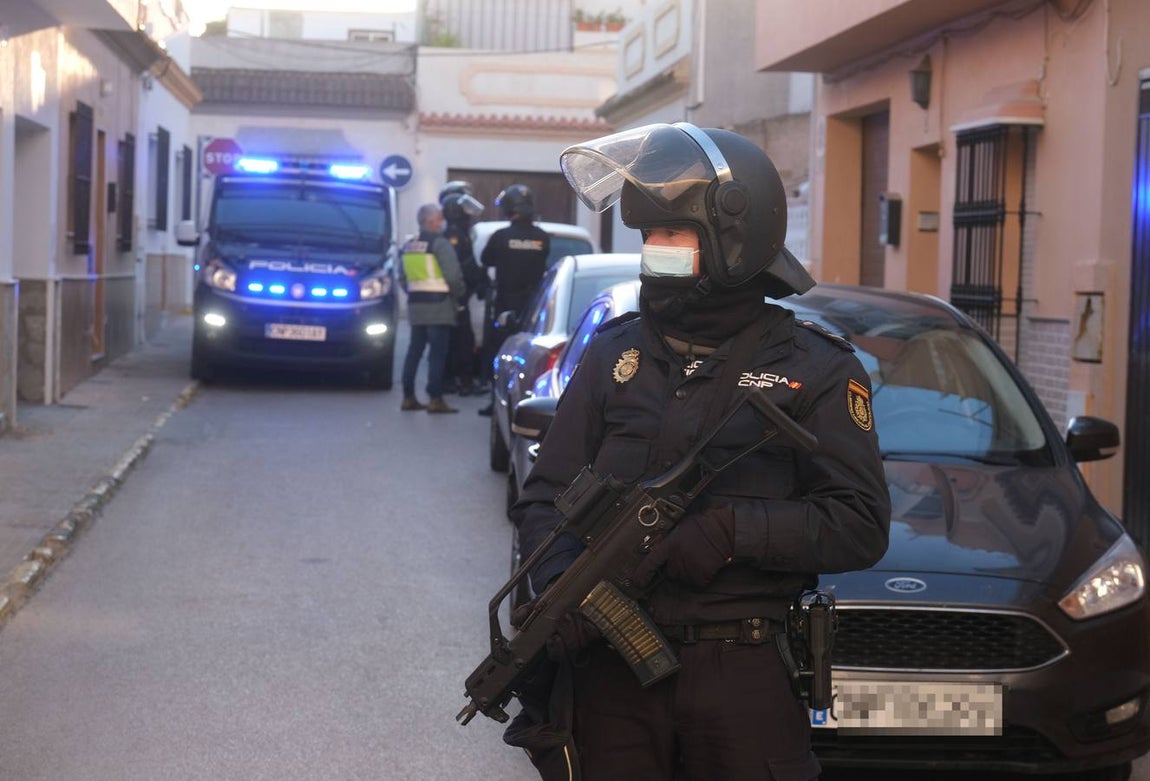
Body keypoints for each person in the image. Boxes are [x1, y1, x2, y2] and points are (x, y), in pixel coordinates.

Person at [506, 123, 892, 780]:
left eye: (671, 235)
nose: (654, 251)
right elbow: (544, 494)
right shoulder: (614, 356)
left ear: (731, 241)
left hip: (739, 677)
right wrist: (563, 588)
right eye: (648, 236)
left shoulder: (816, 368)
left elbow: (859, 523)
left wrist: (733, 531)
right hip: (611, 677)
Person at [477, 183, 551, 416]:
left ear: (509, 209)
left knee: (500, 352)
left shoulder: (501, 237)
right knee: (528, 354)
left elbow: (485, 259)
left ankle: (496, 401)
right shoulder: (542, 238)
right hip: (532, 306)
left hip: (505, 305)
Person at [398, 203, 466, 414]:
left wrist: (415, 293)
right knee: (437, 355)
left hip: (416, 306)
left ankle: (408, 397)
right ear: (431, 221)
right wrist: (459, 294)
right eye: (439, 217)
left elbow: (402, 278)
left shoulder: (408, 245)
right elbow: (453, 276)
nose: (442, 220)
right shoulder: (440, 244)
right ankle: (435, 399)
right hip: (439, 307)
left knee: (414, 352)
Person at [439, 185, 488, 397]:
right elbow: (462, 265)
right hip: (456, 297)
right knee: (461, 340)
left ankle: (455, 380)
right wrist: (478, 280)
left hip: (457, 296)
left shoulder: (460, 233)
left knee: (458, 340)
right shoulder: (454, 236)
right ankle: (460, 381)